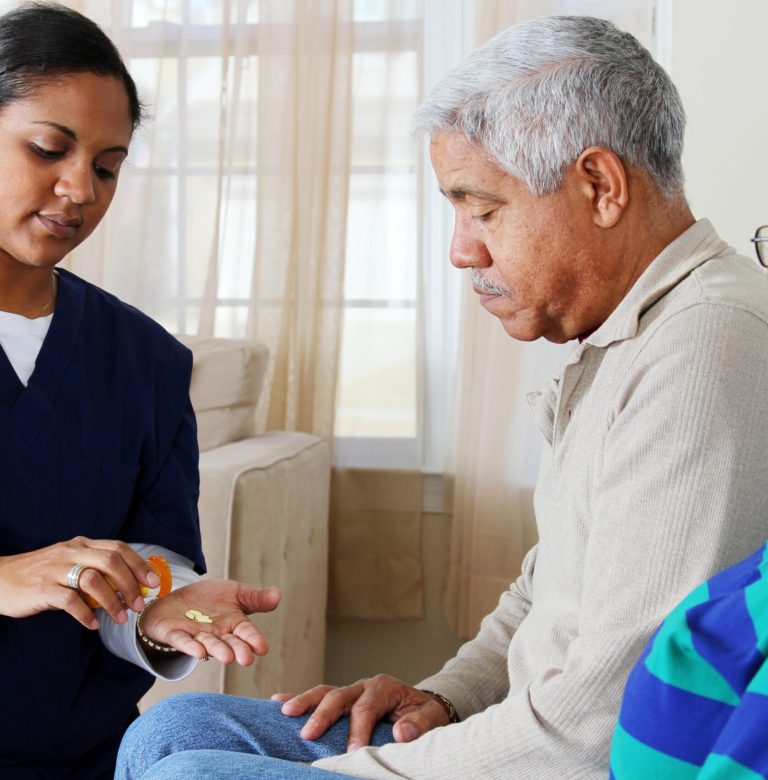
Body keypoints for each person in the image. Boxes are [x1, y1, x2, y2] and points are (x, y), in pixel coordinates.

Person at [116, 14, 768, 780]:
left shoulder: (703, 350)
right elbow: (551, 588)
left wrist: (335, 775)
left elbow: (598, 727)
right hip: (532, 736)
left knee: (190, 775)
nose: (462, 250)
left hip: (581, 763)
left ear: (600, 186)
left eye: (483, 208)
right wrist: (445, 699)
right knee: (174, 730)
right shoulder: (627, 335)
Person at [0, 4, 280, 778]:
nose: (78, 188)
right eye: (49, 148)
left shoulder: (146, 361)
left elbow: (151, 557)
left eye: (106, 166)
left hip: (80, 758)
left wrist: (158, 609)